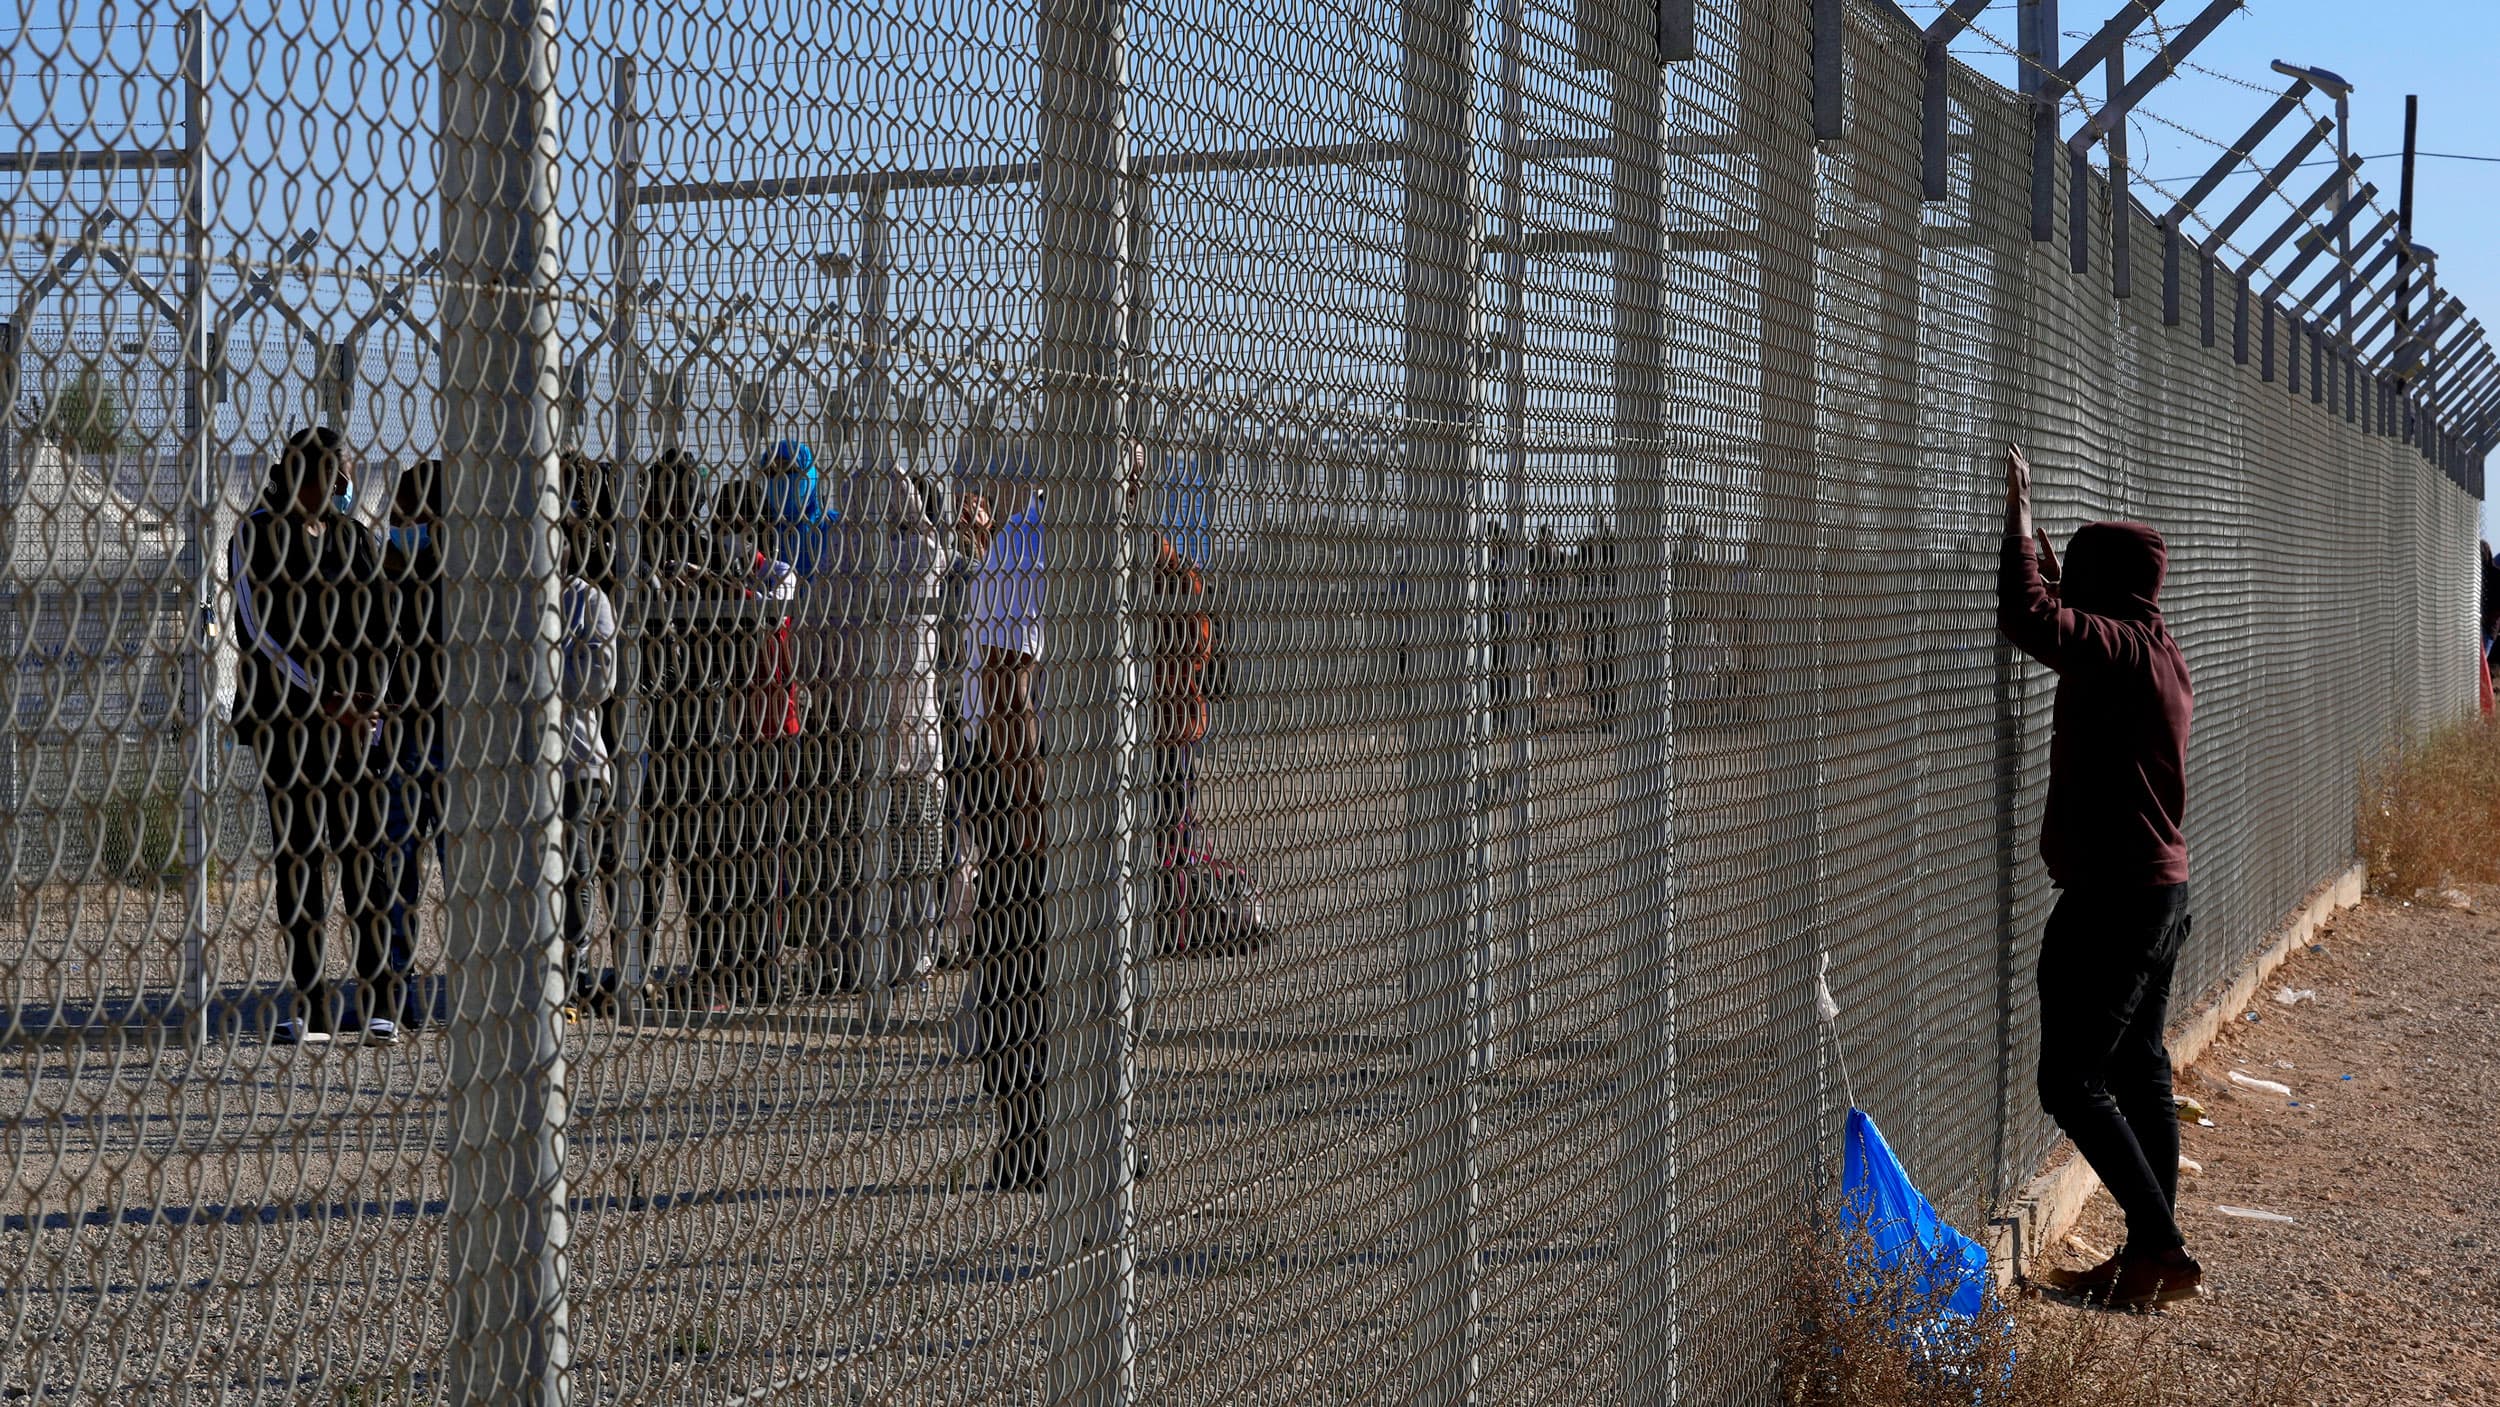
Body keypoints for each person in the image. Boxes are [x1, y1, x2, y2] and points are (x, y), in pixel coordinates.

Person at [1997, 443, 2201, 1310]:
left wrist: (2016, 510)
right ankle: (2147, 1259)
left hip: (2116, 899)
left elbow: (2034, 618)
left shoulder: (2115, 651)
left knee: (2069, 1080)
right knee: (2140, 1067)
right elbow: (2062, 607)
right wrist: (2042, 544)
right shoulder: (2155, 651)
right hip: (2159, 891)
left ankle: (2160, 1247)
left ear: (2106, 584)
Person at [229, 426, 397, 1045]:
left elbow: (386, 628)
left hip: (355, 731)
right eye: (330, 475)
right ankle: (311, 1005)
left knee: (363, 860)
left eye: (342, 478)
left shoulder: (355, 540)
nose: (339, 487)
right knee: (299, 861)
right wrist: (322, 698)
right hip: (289, 728)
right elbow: (260, 630)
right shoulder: (255, 535)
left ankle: (378, 999)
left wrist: (367, 704)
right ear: (298, 474)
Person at [958, 472, 1049, 1191]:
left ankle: (1048, 1127)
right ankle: (1028, 1134)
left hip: (1020, 765)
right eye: (1132, 483)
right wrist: (1033, 809)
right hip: (1008, 771)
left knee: (1037, 953)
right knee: (1027, 955)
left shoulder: (1041, 540)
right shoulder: (1034, 544)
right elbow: (1002, 687)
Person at [1132, 440, 1214, 940]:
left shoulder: (1168, 574)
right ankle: (1162, 917)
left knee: (1170, 823)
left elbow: (1197, 643)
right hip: (1161, 728)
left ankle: (1167, 918)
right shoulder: (1171, 579)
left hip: (1167, 729)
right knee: (1168, 821)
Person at [379, 458, 445, 1029]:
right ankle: (395, 989)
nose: (402, 522)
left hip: (442, 733)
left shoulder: (458, 577)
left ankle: (404, 988)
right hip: (405, 732)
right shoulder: (390, 570)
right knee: (397, 862)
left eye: (412, 515)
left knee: (445, 864)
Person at [554, 461, 620, 1007]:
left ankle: (572, 976)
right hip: (520, 761)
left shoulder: (590, 600)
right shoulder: (508, 599)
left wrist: (539, 672)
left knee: (575, 869)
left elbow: (596, 681)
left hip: (576, 760)